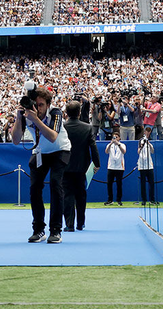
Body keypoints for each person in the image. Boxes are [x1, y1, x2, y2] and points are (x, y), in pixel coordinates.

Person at [12, 85, 70, 244]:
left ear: (48, 104)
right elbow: (15, 140)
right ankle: (38, 230)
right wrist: (19, 117)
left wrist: (35, 120)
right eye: (35, 105)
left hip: (60, 149)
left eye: (41, 105)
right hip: (40, 152)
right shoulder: (27, 115)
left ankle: (56, 230)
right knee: (34, 188)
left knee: (55, 184)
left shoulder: (55, 113)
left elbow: (52, 137)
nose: (38, 108)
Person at [62, 99, 100, 232]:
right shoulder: (87, 127)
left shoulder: (62, 128)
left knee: (67, 195)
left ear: (66, 113)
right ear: (79, 112)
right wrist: (97, 163)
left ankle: (69, 224)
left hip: (65, 166)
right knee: (81, 195)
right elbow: (93, 147)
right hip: (82, 167)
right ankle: (80, 223)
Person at [104, 132, 126, 205]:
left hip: (119, 168)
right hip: (111, 167)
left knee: (119, 184)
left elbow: (124, 151)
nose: (115, 138)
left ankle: (119, 200)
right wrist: (111, 143)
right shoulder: (110, 145)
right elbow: (106, 152)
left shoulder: (122, 145)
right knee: (109, 184)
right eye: (114, 137)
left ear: (119, 138)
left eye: (116, 137)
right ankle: (110, 200)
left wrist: (118, 144)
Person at [137, 133, 156, 205]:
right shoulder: (140, 144)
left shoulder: (149, 144)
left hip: (149, 166)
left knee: (151, 183)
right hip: (142, 167)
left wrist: (148, 143)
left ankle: (152, 200)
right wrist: (142, 146)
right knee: (143, 184)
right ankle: (144, 200)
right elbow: (138, 152)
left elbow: (152, 151)